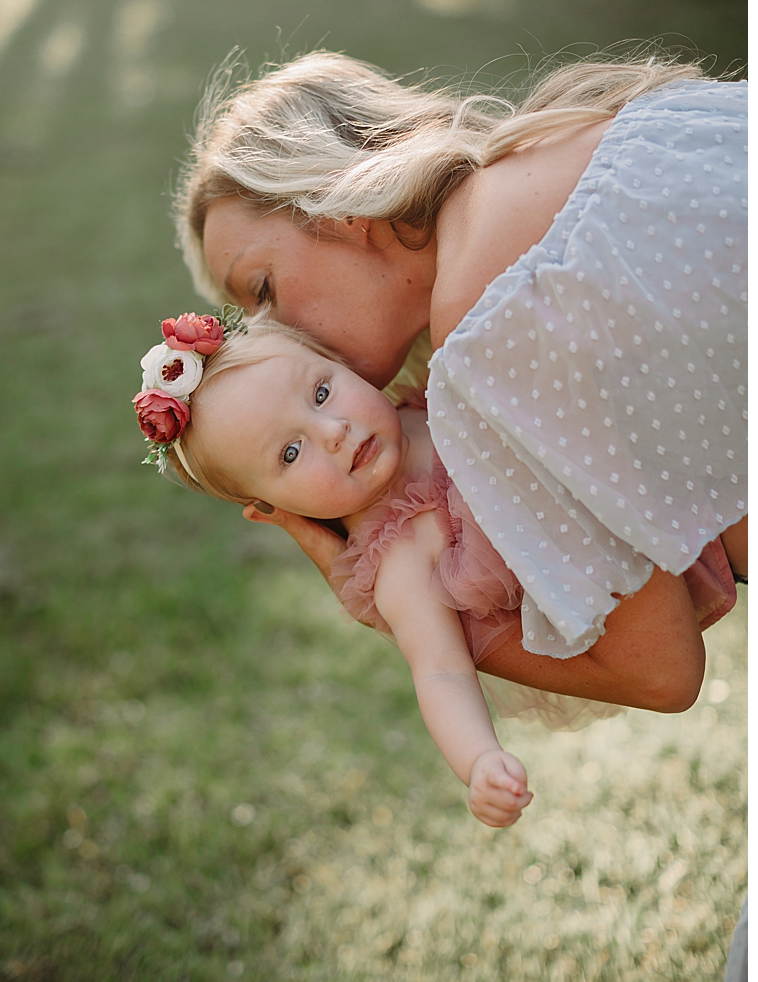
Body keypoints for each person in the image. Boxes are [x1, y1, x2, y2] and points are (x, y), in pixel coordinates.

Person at [174, 51, 746, 709]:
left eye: (263, 290)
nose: (272, 337)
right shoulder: (582, 132)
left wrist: (399, 613)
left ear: (333, 201)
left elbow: (659, 673)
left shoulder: (485, 330)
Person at [133, 310, 733, 826]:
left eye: (321, 392)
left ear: (344, 368)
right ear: (273, 509)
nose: (334, 431)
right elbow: (440, 671)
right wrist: (478, 760)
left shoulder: (439, 394)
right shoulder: (400, 558)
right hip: (659, 570)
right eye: (291, 452)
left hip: (664, 481)